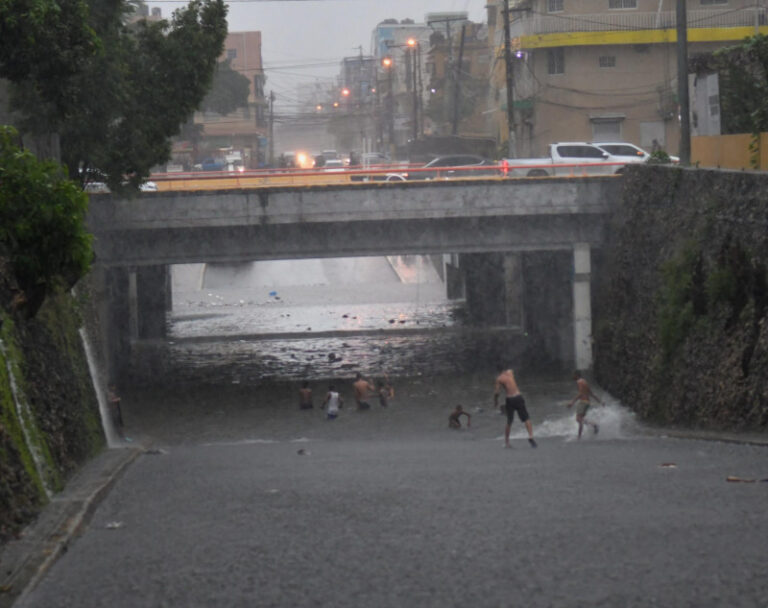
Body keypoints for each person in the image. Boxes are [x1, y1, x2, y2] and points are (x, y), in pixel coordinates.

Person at [494, 365, 537, 448]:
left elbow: (497, 393)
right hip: (518, 397)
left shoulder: (499, 379)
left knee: (509, 421)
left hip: (510, 400)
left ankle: (507, 442)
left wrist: (495, 401)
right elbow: (511, 370)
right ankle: (531, 436)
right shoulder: (510, 373)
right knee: (526, 418)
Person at [567, 370, 603, 438]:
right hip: (587, 402)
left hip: (583, 402)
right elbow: (591, 393)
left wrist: (572, 402)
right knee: (581, 419)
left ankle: (593, 425)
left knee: (578, 419)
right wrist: (600, 401)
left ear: (576, 375)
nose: (572, 376)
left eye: (573, 375)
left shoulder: (579, 382)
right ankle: (580, 436)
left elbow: (580, 393)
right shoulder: (585, 382)